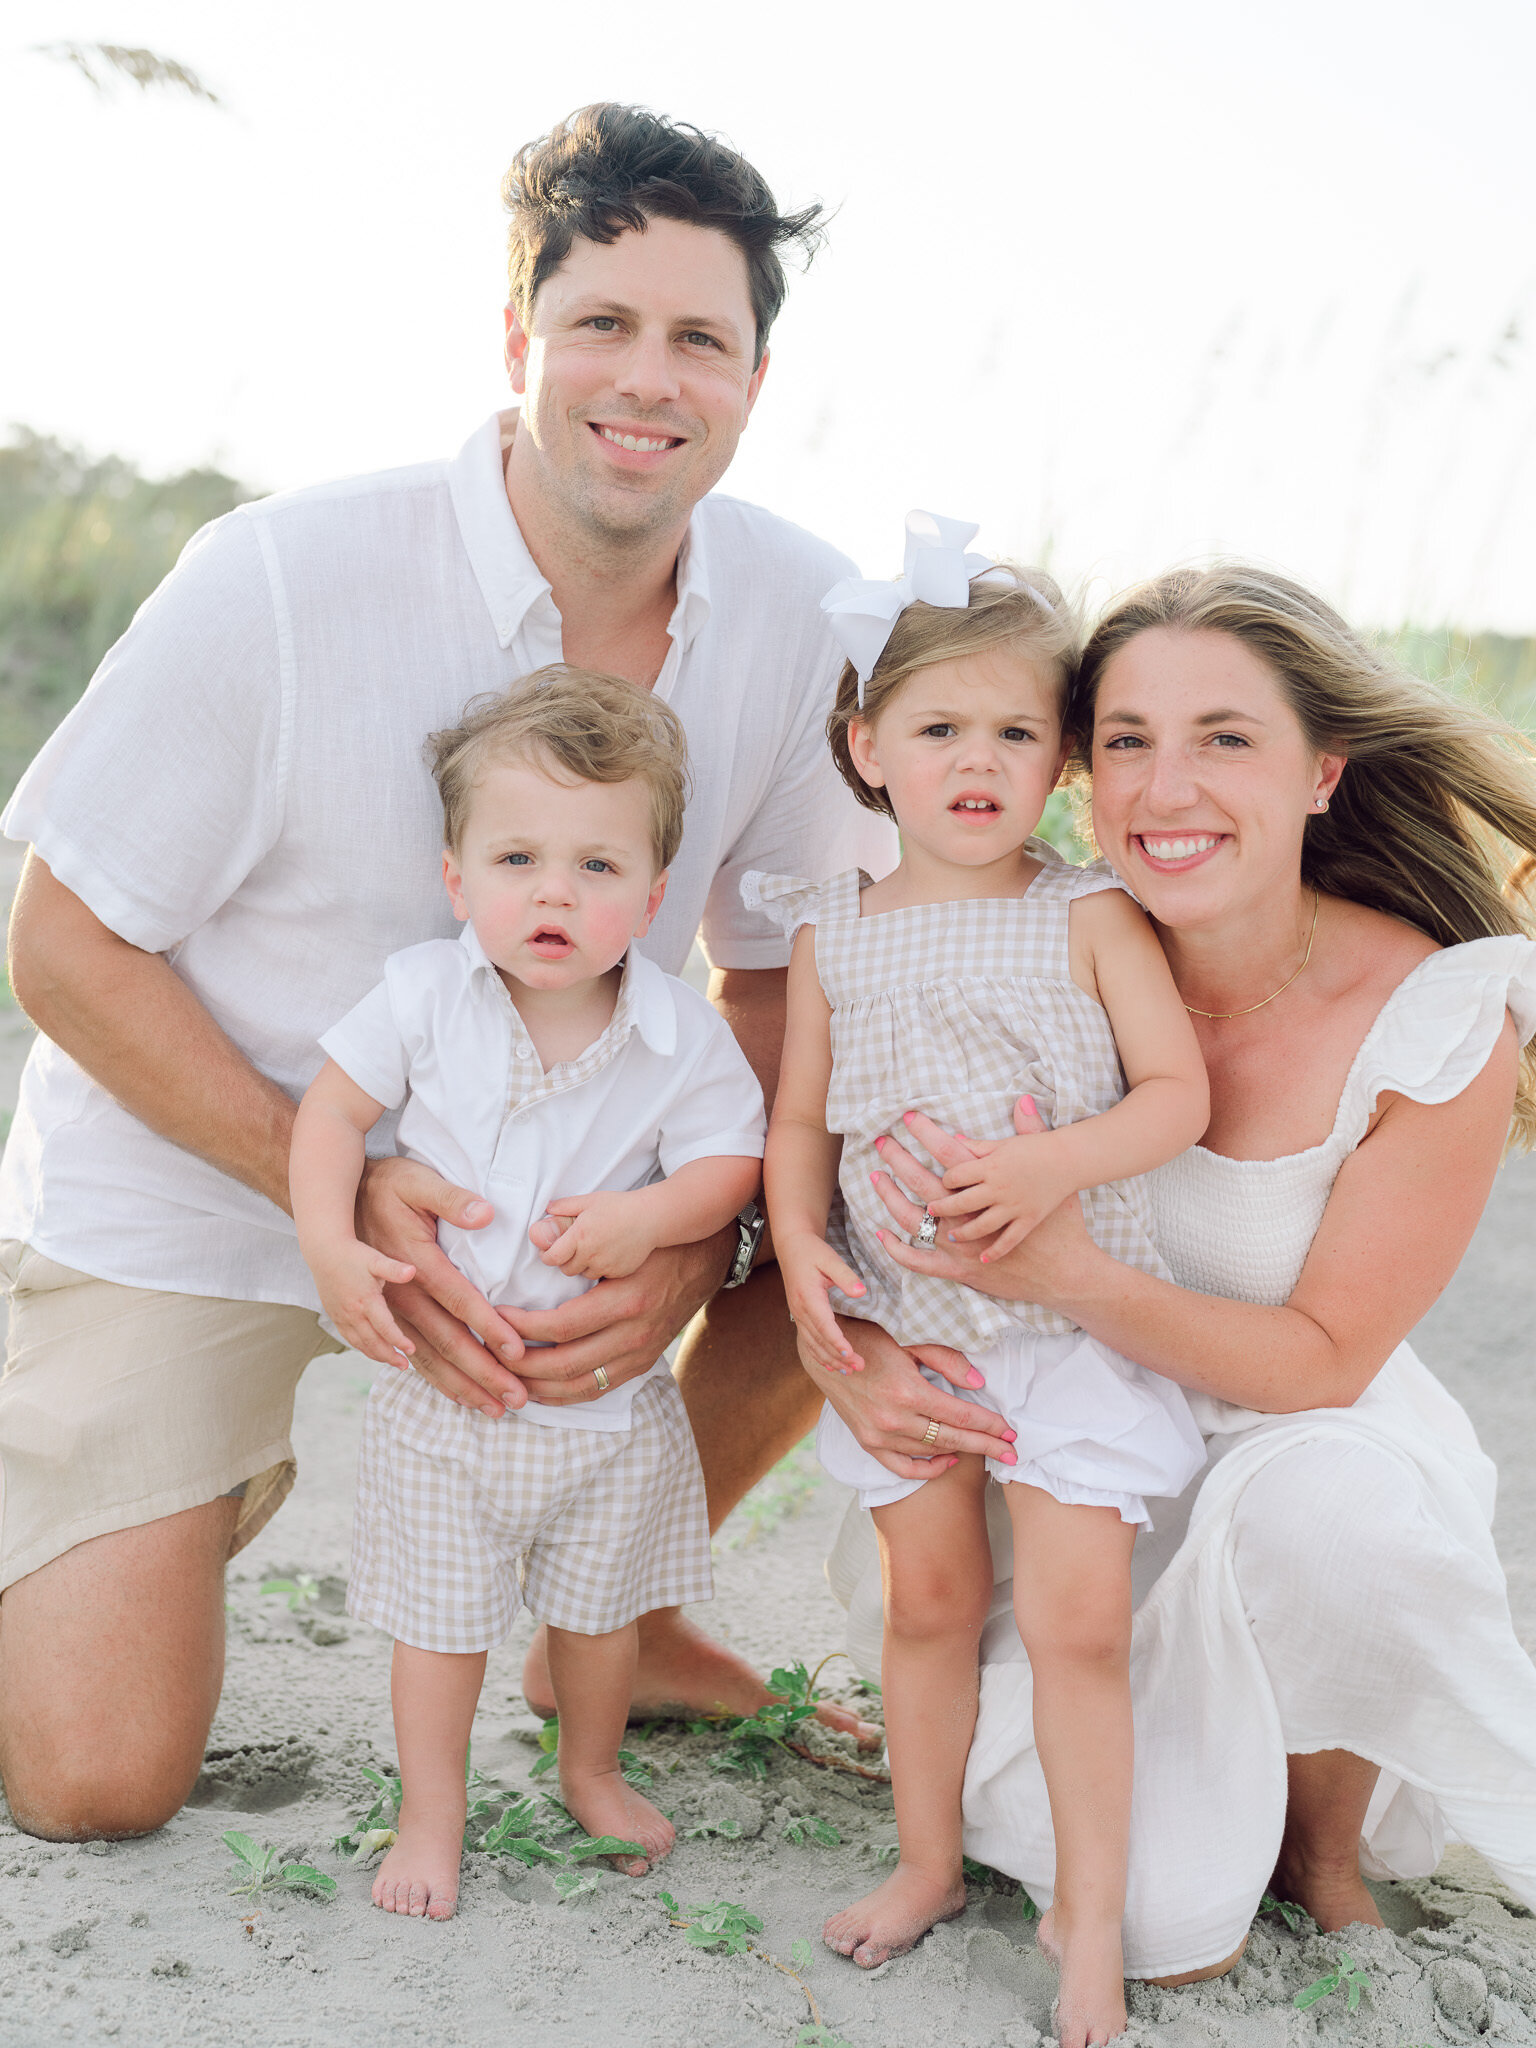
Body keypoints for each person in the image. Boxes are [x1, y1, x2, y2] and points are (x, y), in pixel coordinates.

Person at [0, 102, 901, 1842]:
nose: (648, 379)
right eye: (603, 326)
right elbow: (61, 938)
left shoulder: (809, 620)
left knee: (849, 1199)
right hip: (215, 1174)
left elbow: (784, 985)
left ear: (755, 380)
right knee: (93, 1777)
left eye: (699, 339)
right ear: (520, 343)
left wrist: (701, 1235)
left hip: (572, 1209)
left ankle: (613, 1616)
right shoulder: (280, 574)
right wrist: (330, 1190)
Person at [831, 562, 1536, 1984]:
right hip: (1076, 1465)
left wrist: (1072, 1273)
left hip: (1308, 1444)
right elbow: (859, 1163)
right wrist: (838, 1341)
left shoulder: (1436, 1015)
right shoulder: (1037, 934)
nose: (1169, 788)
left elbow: (1328, 1356)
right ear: (1081, 773)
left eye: (1227, 739)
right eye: (1130, 742)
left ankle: (1325, 1847)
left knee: (1330, 1512)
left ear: (1324, 769)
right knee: (1159, 1923)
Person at [749, 516, 1208, 2046]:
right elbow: (802, 1116)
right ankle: (930, 1862)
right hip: (913, 1332)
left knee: (1076, 1622)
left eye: (1016, 730)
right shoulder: (830, 936)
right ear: (868, 745)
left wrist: (1049, 1172)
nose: (977, 759)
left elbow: (1172, 1097)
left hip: (1069, 1326)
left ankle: (1087, 1921)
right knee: (930, 1602)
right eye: (939, 726)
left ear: (1064, 758)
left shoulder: (1084, 913)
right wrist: (804, 1238)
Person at [292, 670, 765, 1918]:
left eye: (599, 866)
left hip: (601, 1415)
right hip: (451, 1413)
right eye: (516, 857)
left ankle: (591, 1769)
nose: (555, 890)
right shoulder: (423, 996)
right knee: (438, 1626)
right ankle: (429, 1813)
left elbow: (731, 1159)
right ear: (458, 880)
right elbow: (333, 1114)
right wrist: (331, 1245)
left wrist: (651, 1217)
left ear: (656, 899)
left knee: (599, 1617)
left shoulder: (678, 1032)